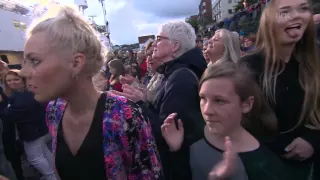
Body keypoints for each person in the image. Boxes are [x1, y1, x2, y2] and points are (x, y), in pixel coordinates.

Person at [19, 5, 162, 179]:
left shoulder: (125, 115)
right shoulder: (54, 110)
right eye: (24, 62)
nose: (23, 73)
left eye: (35, 61)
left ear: (76, 63)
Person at [161, 62, 298, 180]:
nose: (207, 110)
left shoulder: (266, 167)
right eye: (203, 98)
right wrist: (176, 151)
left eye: (219, 101)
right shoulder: (189, 133)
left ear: (246, 104)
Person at [239, 0, 320, 179]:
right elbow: (242, 123)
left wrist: (313, 141)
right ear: (269, 21)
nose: (296, 15)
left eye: (303, 8)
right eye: (285, 11)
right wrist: (283, 147)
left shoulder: (315, 60)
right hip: (265, 168)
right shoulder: (249, 66)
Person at [0, 70, 54, 180]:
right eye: (9, 80)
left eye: (16, 79)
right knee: (44, 153)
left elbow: (8, 114)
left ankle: (51, 176)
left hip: (33, 132)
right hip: (41, 129)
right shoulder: (22, 93)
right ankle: (54, 173)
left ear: (23, 80)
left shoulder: (23, 96)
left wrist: (4, 106)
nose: (12, 82)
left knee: (35, 158)